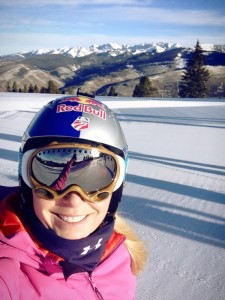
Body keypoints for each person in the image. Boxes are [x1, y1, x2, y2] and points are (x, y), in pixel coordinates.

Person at [0, 94, 147, 299]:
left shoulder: (119, 253)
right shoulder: (8, 273)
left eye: (96, 179)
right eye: (43, 176)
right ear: (26, 180)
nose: (74, 199)